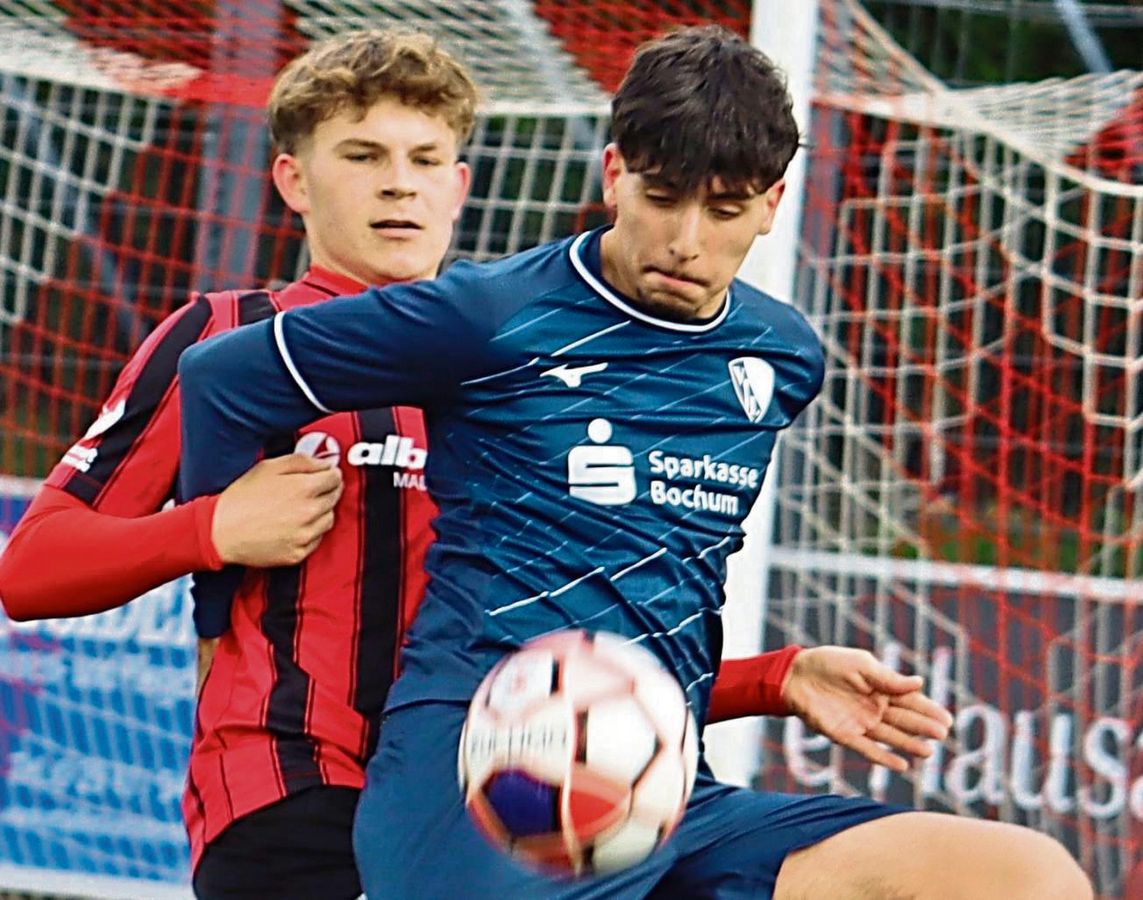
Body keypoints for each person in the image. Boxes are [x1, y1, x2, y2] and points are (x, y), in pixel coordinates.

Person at [0, 25, 952, 900]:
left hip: (496, 785)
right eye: (363, 157)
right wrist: (209, 530)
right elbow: (32, 570)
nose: (398, 186)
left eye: (425, 161)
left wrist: (766, 680)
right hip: (297, 790)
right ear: (293, 180)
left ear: (461, 186)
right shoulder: (231, 334)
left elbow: (545, 636)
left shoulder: (516, 354)